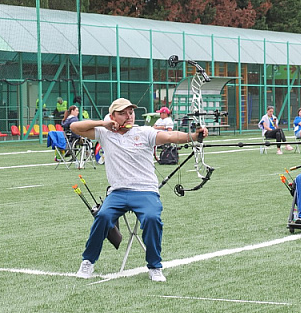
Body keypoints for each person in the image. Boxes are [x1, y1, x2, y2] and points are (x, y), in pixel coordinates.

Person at [72, 98, 208, 282]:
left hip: (145, 191)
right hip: (117, 192)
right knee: (102, 216)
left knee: (152, 219)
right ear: (112, 116)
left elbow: (170, 137)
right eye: (122, 113)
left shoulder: (145, 132)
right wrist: (104, 124)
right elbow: (75, 127)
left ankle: (155, 266)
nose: (129, 116)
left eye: (131, 112)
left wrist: (194, 136)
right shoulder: (104, 133)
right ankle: (88, 261)